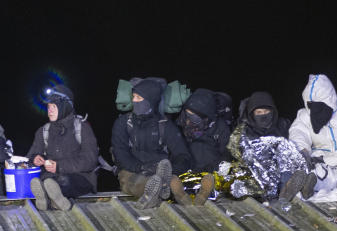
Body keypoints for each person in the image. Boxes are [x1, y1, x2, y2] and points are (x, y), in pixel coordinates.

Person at [110, 78, 191, 209]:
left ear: (150, 102)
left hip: (162, 168)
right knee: (131, 182)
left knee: (171, 179)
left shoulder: (165, 126)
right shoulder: (123, 123)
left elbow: (183, 155)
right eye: (133, 97)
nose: (134, 101)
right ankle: (157, 190)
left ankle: (171, 189)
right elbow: (120, 153)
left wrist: (170, 170)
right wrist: (142, 167)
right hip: (133, 170)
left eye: (138, 98)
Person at [24, 85, 99, 211]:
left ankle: (51, 198)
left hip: (80, 178)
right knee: (47, 181)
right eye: (48, 107)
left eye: (54, 107)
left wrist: (60, 166)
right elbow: (30, 157)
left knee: (63, 181)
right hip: (51, 178)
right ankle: (52, 200)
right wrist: (36, 159)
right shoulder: (43, 131)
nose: (50, 111)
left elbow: (90, 160)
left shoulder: (82, 127)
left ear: (65, 106)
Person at [227, 91, 311, 202]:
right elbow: (237, 154)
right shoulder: (244, 132)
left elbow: (292, 146)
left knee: (288, 159)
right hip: (256, 173)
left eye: (266, 111)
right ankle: (283, 192)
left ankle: (290, 190)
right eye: (259, 112)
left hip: (281, 171)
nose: (263, 115)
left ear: (272, 111)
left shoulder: (282, 125)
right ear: (252, 114)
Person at [171, 88, 232, 205]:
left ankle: (204, 193)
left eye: (193, 117)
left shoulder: (220, 127)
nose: (188, 120)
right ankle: (181, 195)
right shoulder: (181, 123)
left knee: (211, 179)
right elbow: (176, 148)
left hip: (209, 168)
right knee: (175, 178)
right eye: (187, 114)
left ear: (206, 117)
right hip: (187, 167)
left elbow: (226, 150)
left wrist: (221, 164)